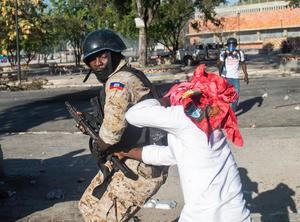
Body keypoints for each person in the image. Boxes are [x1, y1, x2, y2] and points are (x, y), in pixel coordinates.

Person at [116, 65, 251, 221]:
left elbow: (134, 115)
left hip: (203, 216)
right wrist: (126, 152)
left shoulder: (185, 117)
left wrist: (166, 100)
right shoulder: (209, 120)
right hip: (236, 215)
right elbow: (170, 154)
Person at [77, 29, 167, 222]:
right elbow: (118, 121)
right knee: (86, 206)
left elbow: (110, 135)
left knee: (100, 219)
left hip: (142, 165)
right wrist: (90, 124)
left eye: (103, 56)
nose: (98, 63)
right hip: (127, 155)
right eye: (93, 59)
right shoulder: (129, 74)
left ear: (115, 54)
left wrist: (99, 148)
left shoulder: (119, 82)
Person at [218, 37, 249, 112]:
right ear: (227, 46)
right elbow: (219, 64)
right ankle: (224, 111)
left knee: (236, 95)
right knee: (224, 96)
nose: (231, 47)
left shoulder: (239, 53)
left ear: (235, 46)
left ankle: (232, 112)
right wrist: (221, 60)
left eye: (233, 45)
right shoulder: (223, 53)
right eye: (229, 45)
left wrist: (246, 75)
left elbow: (243, 63)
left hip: (235, 78)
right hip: (225, 77)